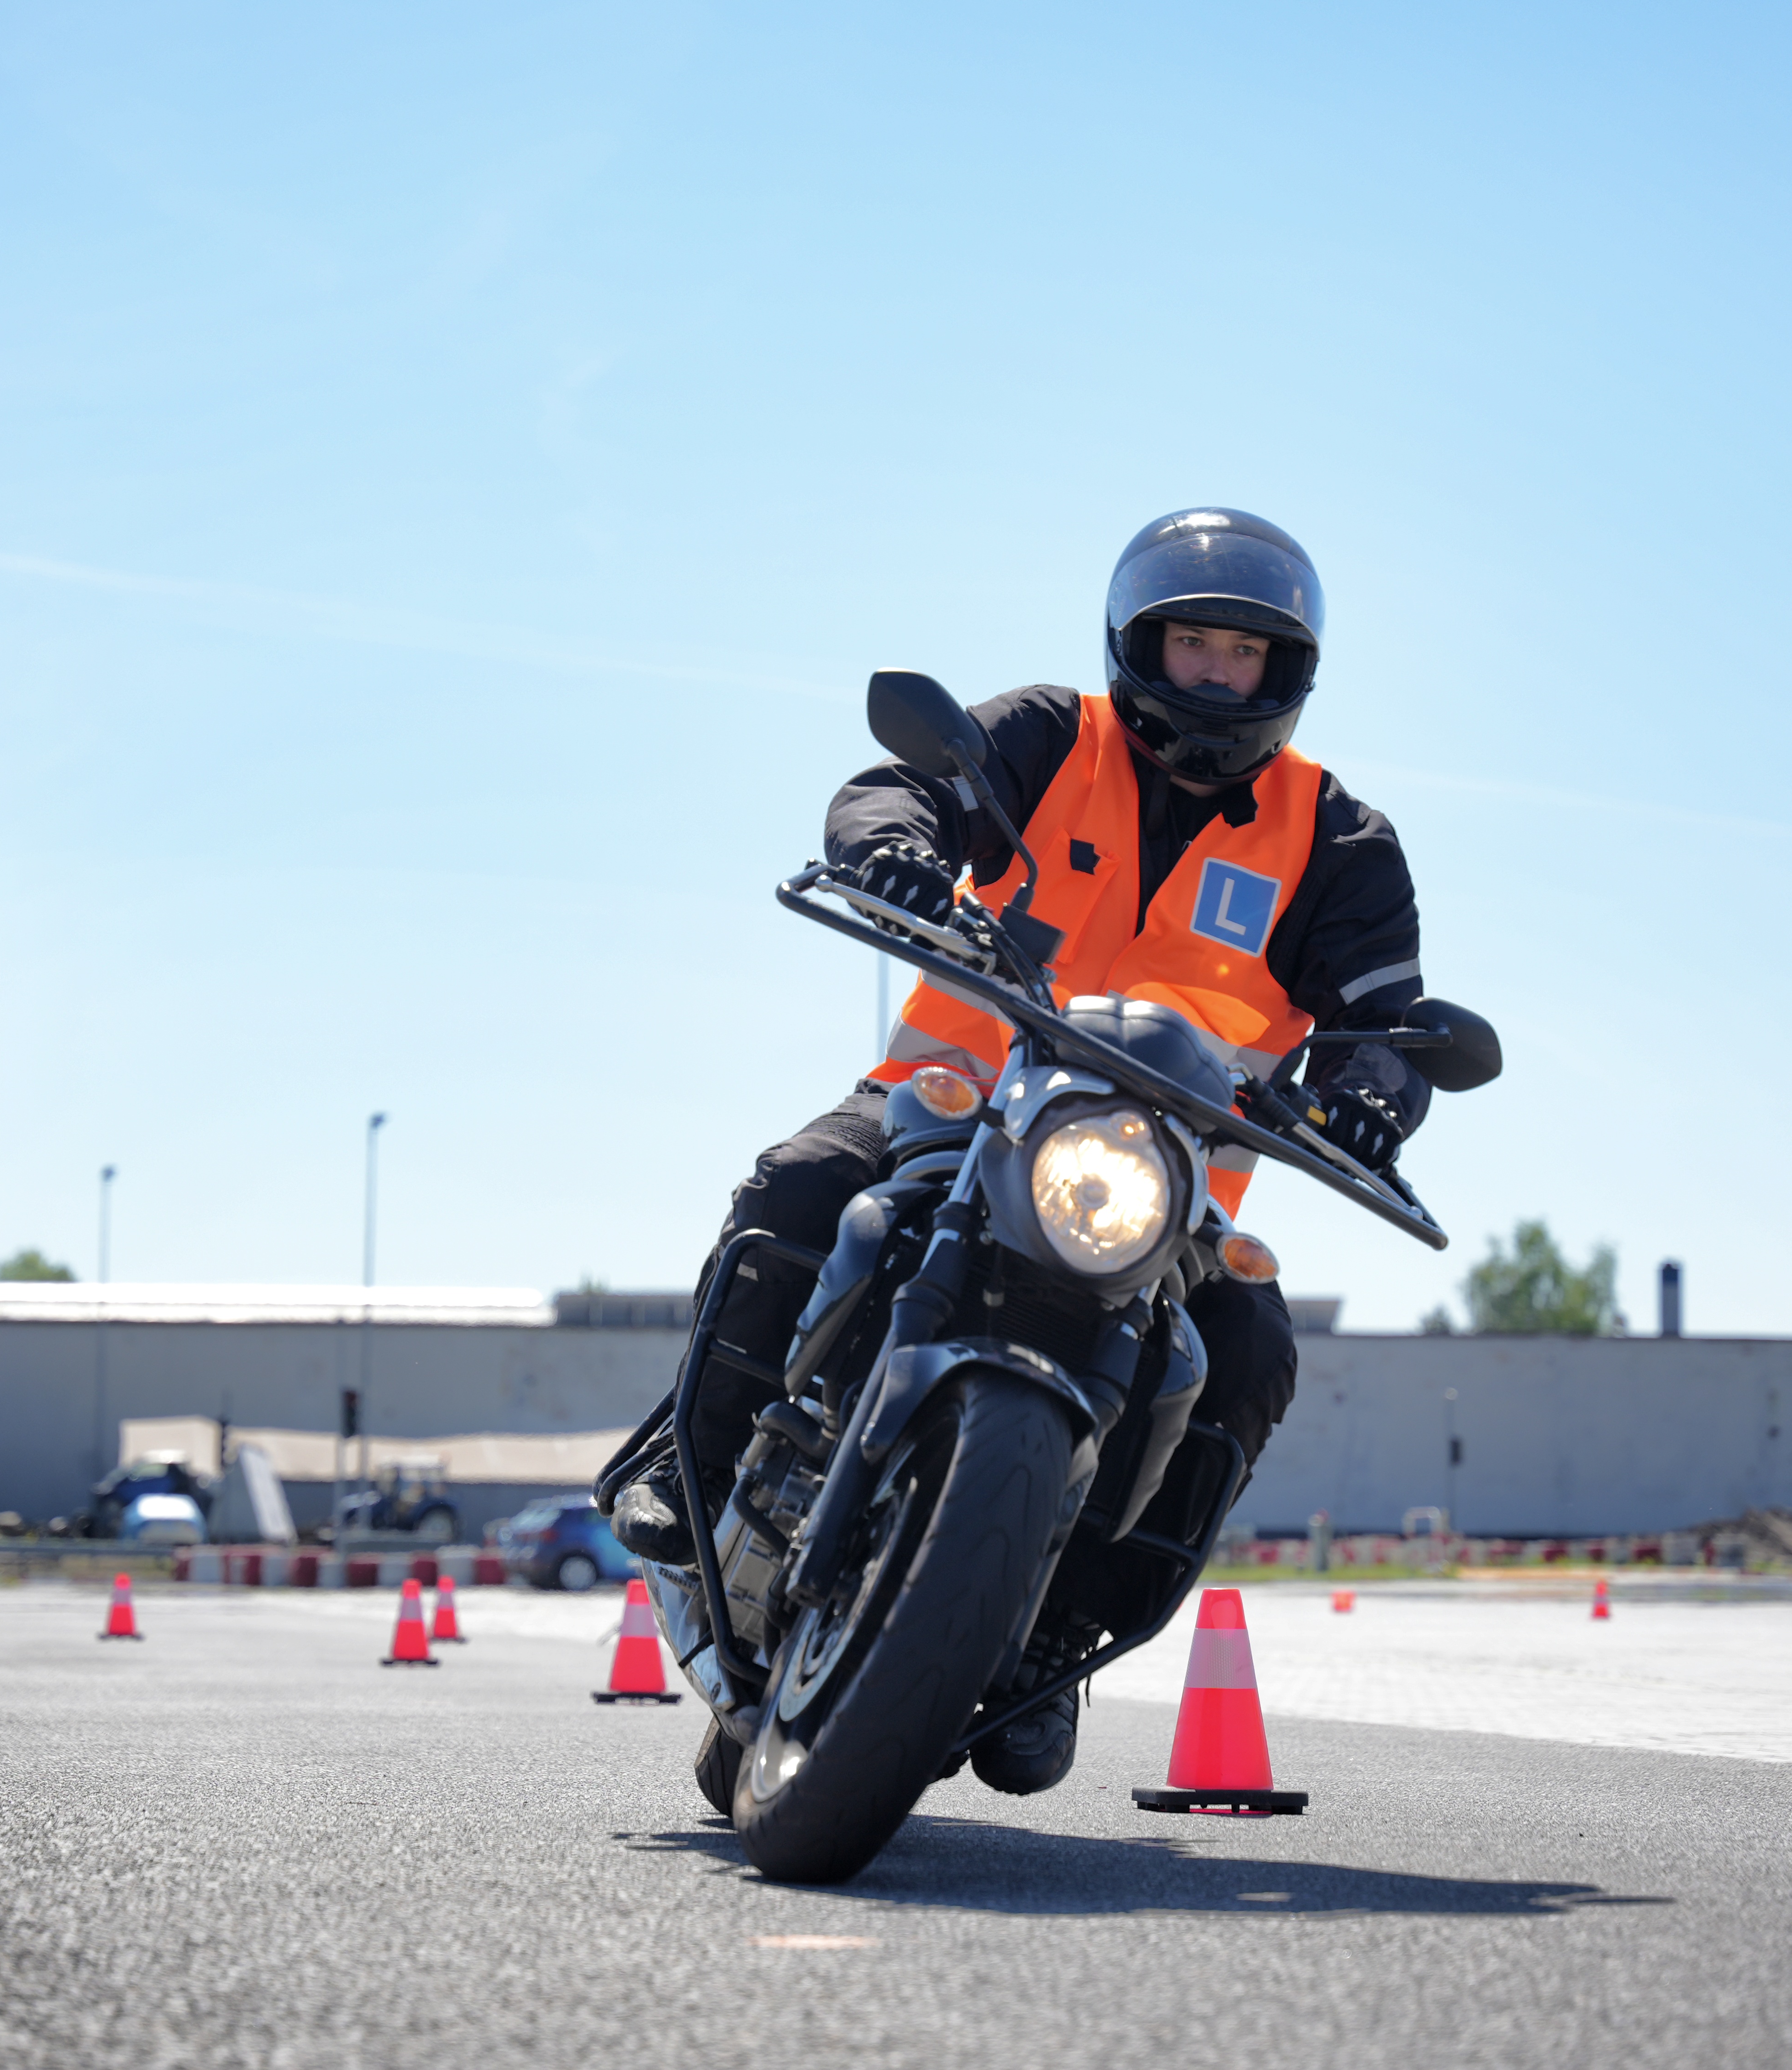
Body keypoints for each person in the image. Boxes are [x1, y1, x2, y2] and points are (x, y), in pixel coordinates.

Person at [613, 506, 1432, 1793]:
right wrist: (896, 847)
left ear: (1287, 672)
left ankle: (1063, 1624)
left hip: (1164, 1187)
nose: (1219, 675)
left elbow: (1387, 1020)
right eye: (1195, 644)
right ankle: (696, 1466)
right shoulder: (1055, 737)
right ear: (1138, 646)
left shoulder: (1338, 840)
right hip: (948, 1104)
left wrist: (1372, 1091)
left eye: (1246, 654)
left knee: (1253, 1344)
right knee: (802, 1186)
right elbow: (905, 786)